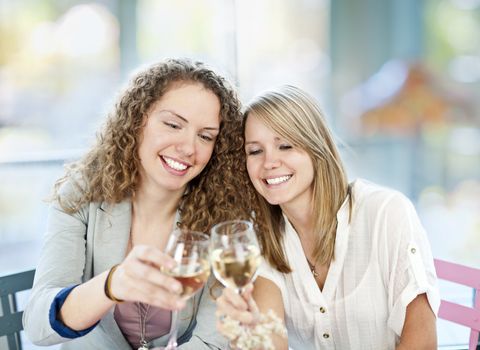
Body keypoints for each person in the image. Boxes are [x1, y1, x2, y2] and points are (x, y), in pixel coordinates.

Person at [23, 58, 252, 349]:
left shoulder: (223, 214)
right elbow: (38, 325)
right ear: (137, 120)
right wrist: (111, 285)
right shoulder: (82, 193)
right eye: (172, 124)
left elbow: (213, 340)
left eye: (205, 136)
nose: (188, 148)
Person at [216, 85, 440, 349]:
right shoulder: (263, 240)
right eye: (255, 151)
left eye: (285, 146)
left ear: (316, 148)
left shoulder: (386, 213)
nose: (269, 162)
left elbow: (423, 339)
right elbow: (270, 340)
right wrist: (250, 335)